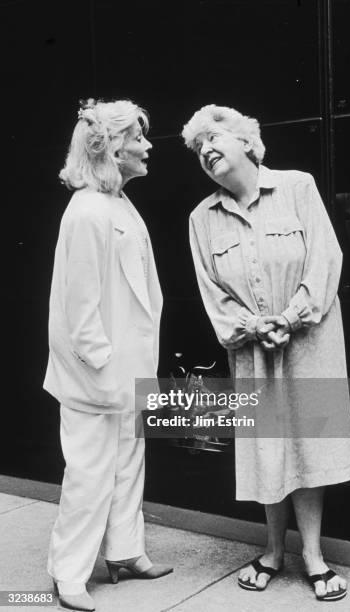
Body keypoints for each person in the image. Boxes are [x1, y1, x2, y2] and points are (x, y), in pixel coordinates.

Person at [182, 104, 350, 602]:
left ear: (247, 142)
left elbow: (326, 258)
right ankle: (272, 551)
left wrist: (290, 316)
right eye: (198, 148)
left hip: (309, 340)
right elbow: (211, 291)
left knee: (309, 445)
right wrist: (253, 326)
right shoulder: (202, 219)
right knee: (267, 447)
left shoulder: (298, 187)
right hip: (254, 348)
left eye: (213, 138)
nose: (206, 151)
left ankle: (314, 557)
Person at [44, 99, 172, 612]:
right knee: (90, 472)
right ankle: (67, 574)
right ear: (111, 146)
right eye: (138, 138)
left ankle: (125, 553)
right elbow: (81, 307)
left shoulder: (117, 202)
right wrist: (103, 369)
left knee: (127, 463)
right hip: (98, 373)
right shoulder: (88, 210)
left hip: (130, 367)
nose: (147, 146)